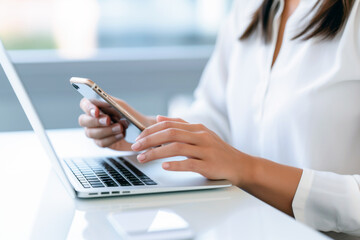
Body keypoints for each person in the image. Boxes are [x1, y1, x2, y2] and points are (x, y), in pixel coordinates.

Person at [78, 0, 360, 237]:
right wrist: (151, 131)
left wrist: (247, 170)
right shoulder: (249, 7)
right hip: (243, 227)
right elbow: (215, 113)